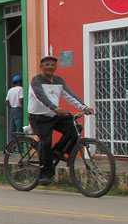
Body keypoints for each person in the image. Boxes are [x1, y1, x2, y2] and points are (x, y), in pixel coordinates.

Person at [27, 56, 93, 185]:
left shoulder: (59, 81)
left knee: (75, 128)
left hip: (54, 115)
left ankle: (57, 152)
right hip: (38, 117)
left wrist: (84, 107)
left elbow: (70, 96)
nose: (50, 67)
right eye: (47, 64)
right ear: (41, 67)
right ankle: (45, 174)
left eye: (52, 65)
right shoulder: (36, 80)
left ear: (56, 67)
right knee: (46, 142)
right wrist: (55, 108)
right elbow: (41, 96)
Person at [6, 74, 24, 141]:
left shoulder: (10, 90)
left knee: (12, 129)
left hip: (12, 110)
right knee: (19, 128)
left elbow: (7, 102)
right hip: (18, 109)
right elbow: (21, 99)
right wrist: (23, 108)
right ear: (20, 82)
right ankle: (20, 144)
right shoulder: (21, 89)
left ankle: (12, 144)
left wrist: (11, 107)